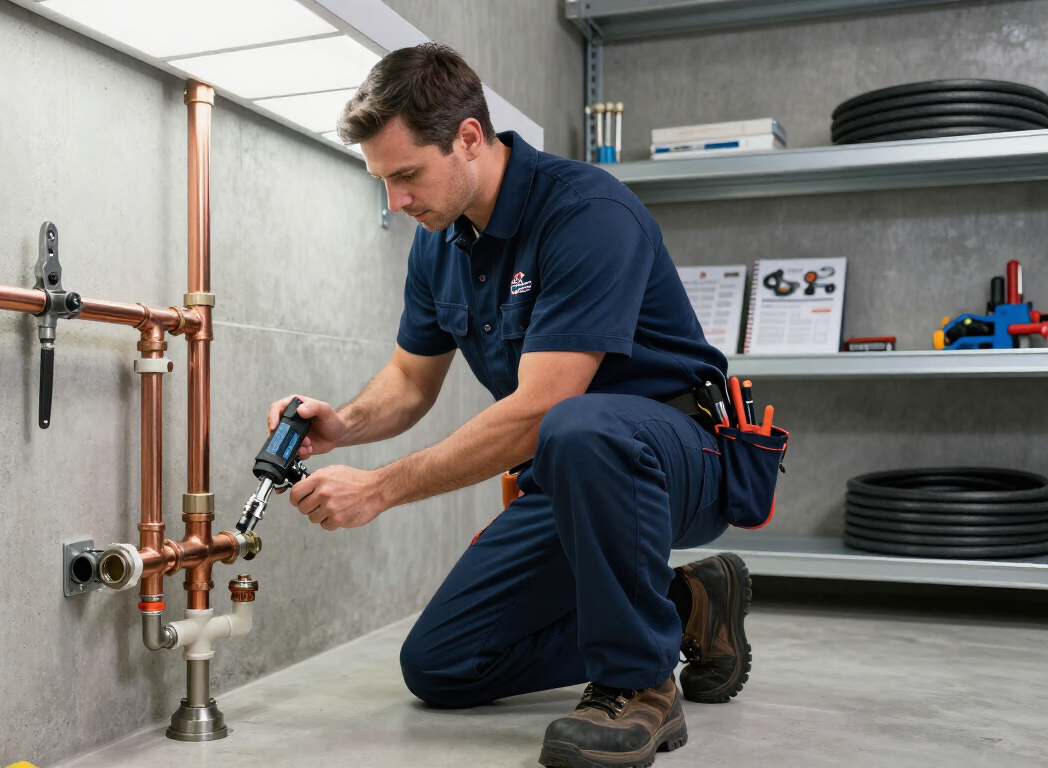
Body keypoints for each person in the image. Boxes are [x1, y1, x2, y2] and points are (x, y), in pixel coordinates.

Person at [265, 43, 752, 768]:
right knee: (443, 662)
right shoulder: (440, 243)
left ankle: (639, 686)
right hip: (572, 468)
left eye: (406, 175)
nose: (396, 202)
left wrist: (380, 487)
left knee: (576, 425)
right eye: (383, 181)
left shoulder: (585, 210)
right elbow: (408, 380)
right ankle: (688, 606)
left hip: (682, 452)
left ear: (467, 138)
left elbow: (541, 409)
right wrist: (344, 425)